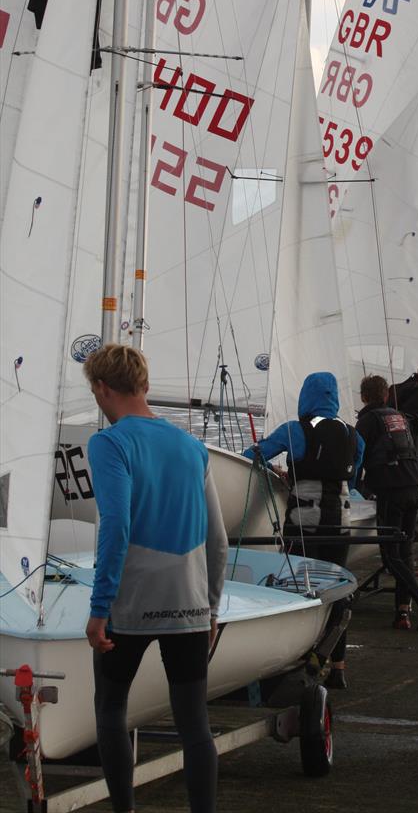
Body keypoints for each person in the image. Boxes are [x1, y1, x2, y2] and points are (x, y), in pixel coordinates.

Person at [84, 344, 225, 813]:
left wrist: (100, 608)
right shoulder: (192, 446)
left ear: (103, 388)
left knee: (110, 711)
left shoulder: (110, 442)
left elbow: (117, 526)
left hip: (129, 605)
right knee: (194, 724)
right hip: (188, 604)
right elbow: (218, 540)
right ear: (142, 385)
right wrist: (210, 609)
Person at [245, 371, 363, 688]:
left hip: (305, 524)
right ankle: (337, 666)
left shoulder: (295, 430)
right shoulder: (353, 434)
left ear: (305, 398)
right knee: (337, 591)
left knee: (301, 590)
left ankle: (301, 660)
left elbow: (253, 455)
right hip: (341, 523)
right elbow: (352, 480)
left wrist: (276, 470)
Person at [356, 374, 418, 631]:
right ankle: (402, 613)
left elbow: (357, 457)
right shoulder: (402, 417)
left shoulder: (366, 421)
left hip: (391, 492)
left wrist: (354, 489)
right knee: (405, 552)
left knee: (391, 555)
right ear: (386, 395)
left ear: (363, 397)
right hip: (414, 487)